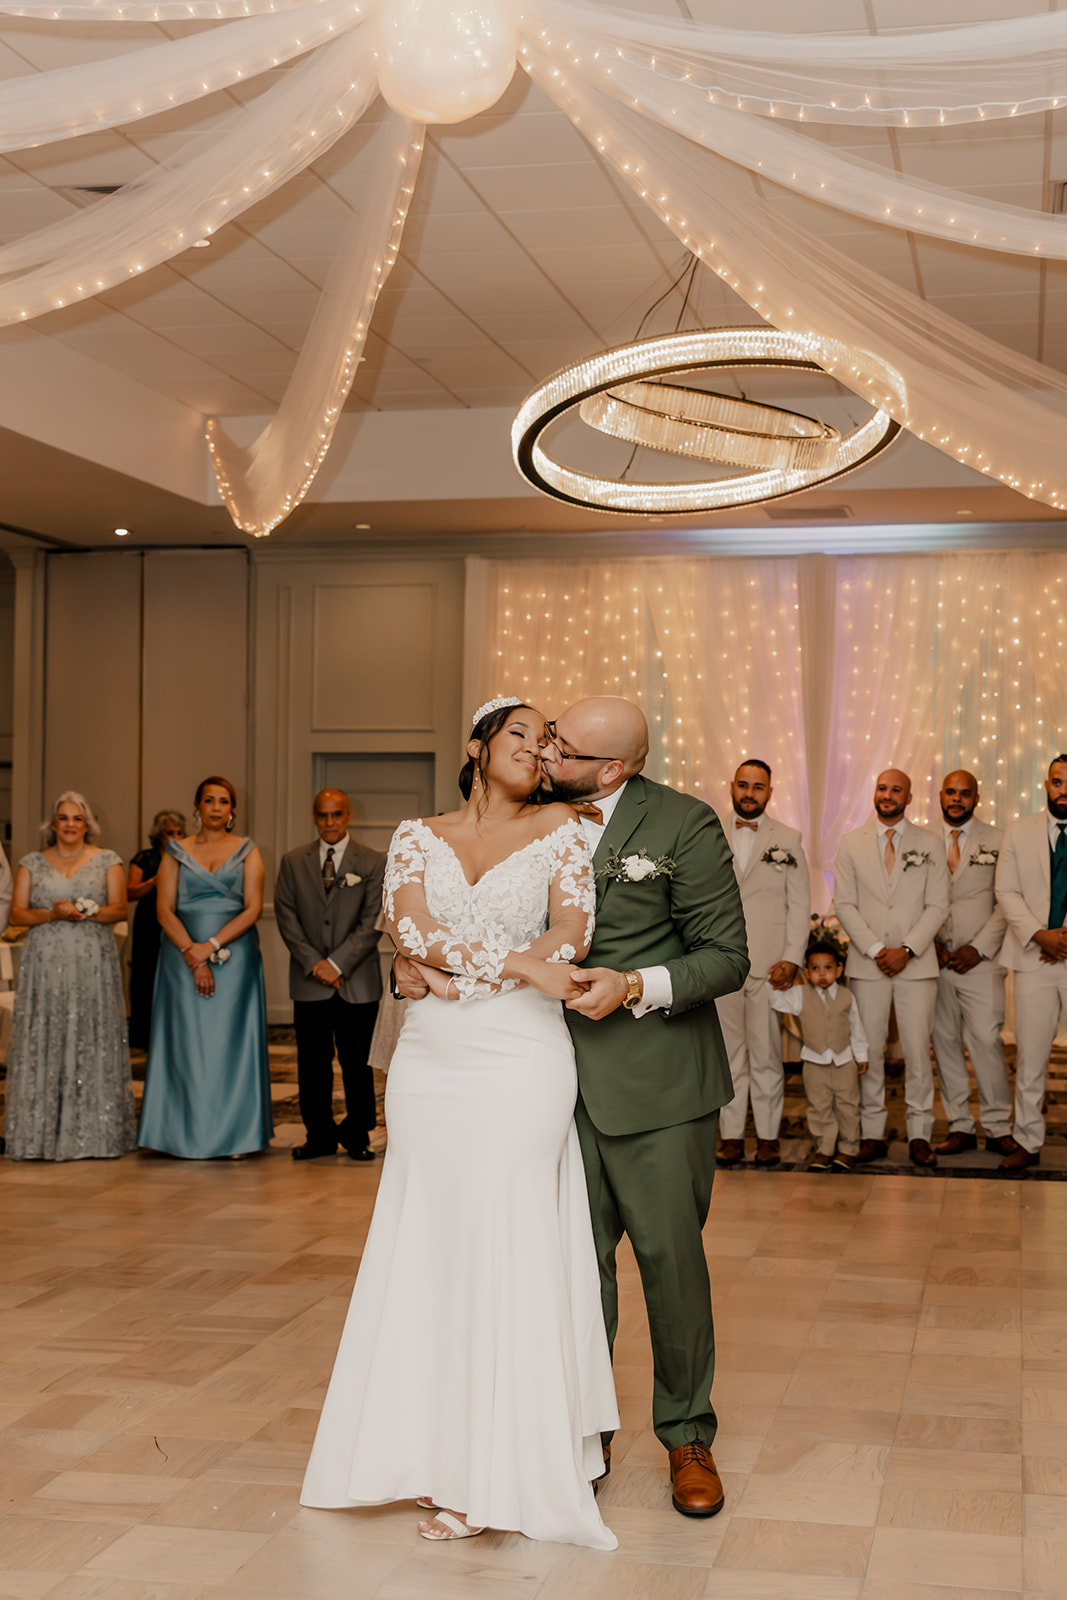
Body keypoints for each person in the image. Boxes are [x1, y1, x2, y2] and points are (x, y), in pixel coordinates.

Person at [300, 698, 618, 1550]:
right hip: (433, 1058)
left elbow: (571, 935)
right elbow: (408, 927)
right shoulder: (414, 833)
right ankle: (427, 1450)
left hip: (520, 1058)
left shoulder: (567, 831)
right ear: (477, 748)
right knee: (428, 1245)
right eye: (521, 732)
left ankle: (497, 1470)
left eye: (546, 741)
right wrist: (505, 964)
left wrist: (456, 965)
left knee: (505, 1240)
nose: (535, 747)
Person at [541, 696, 749, 1520]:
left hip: (658, 1082)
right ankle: (581, 1434)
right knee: (571, 1268)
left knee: (669, 1264)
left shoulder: (682, 824)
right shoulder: (531, 816)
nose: (547, 752)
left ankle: (687, 1434)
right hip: (550, 1083)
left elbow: (726, 958)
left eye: (563, 746)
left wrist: (633, 986)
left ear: (613, 769)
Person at [138, 776, 272, 1160]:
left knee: (229, 1045)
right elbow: (163, 909)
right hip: (180, 960)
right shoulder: (175, 850)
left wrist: (210, 947)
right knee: (184, 1044)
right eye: (209, 800)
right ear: (197, 807)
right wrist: (191, 952)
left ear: (232, 811)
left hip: (235, 959)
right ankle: (176, 1134)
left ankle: (236, 1135)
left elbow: (253, 908)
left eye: (224, 801)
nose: (216, 807)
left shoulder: (248, 850)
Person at [4, 791, 134, 1161]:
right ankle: (39, 1134)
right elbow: (16, 915)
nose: (71, 824)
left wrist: (84, 911)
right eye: (63, 818)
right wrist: (51, 915)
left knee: (90, 1033)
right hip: (45, 964)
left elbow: (120, 908)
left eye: (77, 818)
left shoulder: (107, 860)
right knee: (47, 1034)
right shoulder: (31, 862)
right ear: (53, 823)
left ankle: (94, 1134)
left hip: (92, 962)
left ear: (88, 823)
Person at [833, 768, 948, 1168]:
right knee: (871, 1051)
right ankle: (872, 1132)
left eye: (896, 789)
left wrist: (908, 949)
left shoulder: (929, 843)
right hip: (868, 966)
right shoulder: (851, 843)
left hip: (917, 967)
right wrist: (879, 949)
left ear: (908, 797)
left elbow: (938, 905)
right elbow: (844, 903)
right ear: (875, 792)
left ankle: (919, 1133)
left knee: (918, 1051)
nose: (887, 794)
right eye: (882, 787)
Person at [274, 790, 385, 1162]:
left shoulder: (372, 861)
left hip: (357, 981)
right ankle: (318, 1135)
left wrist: (336, 964)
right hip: (309, 981)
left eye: (337, 814)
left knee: (357, 1063)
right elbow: (286, 916)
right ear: (314, 816)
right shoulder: (292, 862)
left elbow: (373, 922)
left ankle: (358, 1134)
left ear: (349, 814)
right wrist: (314, 964)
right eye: (323, 815)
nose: (330, 822)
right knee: (312, 1063)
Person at [715, 759, 810, 1168]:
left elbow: (800, 904)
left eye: (758, 787)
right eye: (743, 785)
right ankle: (732, 1136)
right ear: (732, 787)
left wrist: (792, 957)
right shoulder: (708, 832)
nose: (749, 793)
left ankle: (769, 1136)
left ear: (770, 793)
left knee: (768, 1055)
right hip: (719, 961)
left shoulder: (787, 839)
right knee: (729, 1055)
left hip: (770, 966)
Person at [931, 771, 1020, 1162]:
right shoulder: (922, 841)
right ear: (940, 796)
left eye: (964, 794)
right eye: (951, 792)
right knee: (944, 1042)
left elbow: (1006, 901)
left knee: (985, 1040)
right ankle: (959, 1125)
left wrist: (979, 948)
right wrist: (925, 943)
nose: (956, 799)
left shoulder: (1000, 841)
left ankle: (998, 1125)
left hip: (981, 962)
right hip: (932, 961)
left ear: (976, 798)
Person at [994, 753, 1067, 1171]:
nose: (1064, 791)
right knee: (1032, 1056)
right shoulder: (1020, 831)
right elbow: (1006, 891)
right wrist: (1040, 934)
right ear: (1046, 784)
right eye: (1058, 782)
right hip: (1032, 957)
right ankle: (1027, 1140)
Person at [770, 936, 869, 1171]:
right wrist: (776, 980)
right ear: (806, 971)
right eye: (815, 969)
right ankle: (824, 1149)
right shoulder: (799, 994)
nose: (822, 974)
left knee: (848, 1105)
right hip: (814, 1062)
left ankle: (848, 1149)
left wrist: (861, 1055)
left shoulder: (847, 996)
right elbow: (777, 1002)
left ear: (838, 969)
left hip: (844, 1060)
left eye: (827, 968)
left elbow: (856, 1028)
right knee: (819, 1106)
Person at [126, 809, 187, 1050]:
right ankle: (145, 1034)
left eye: (180, 833)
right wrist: (154, 881)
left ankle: (175, 1032)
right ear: (159, 836)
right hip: (149, 920)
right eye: (170, 833)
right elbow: (130, 892)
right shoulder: (145, 858)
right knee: (146, 974)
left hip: (179, 919)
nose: (175, 837)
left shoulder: (188, 857)